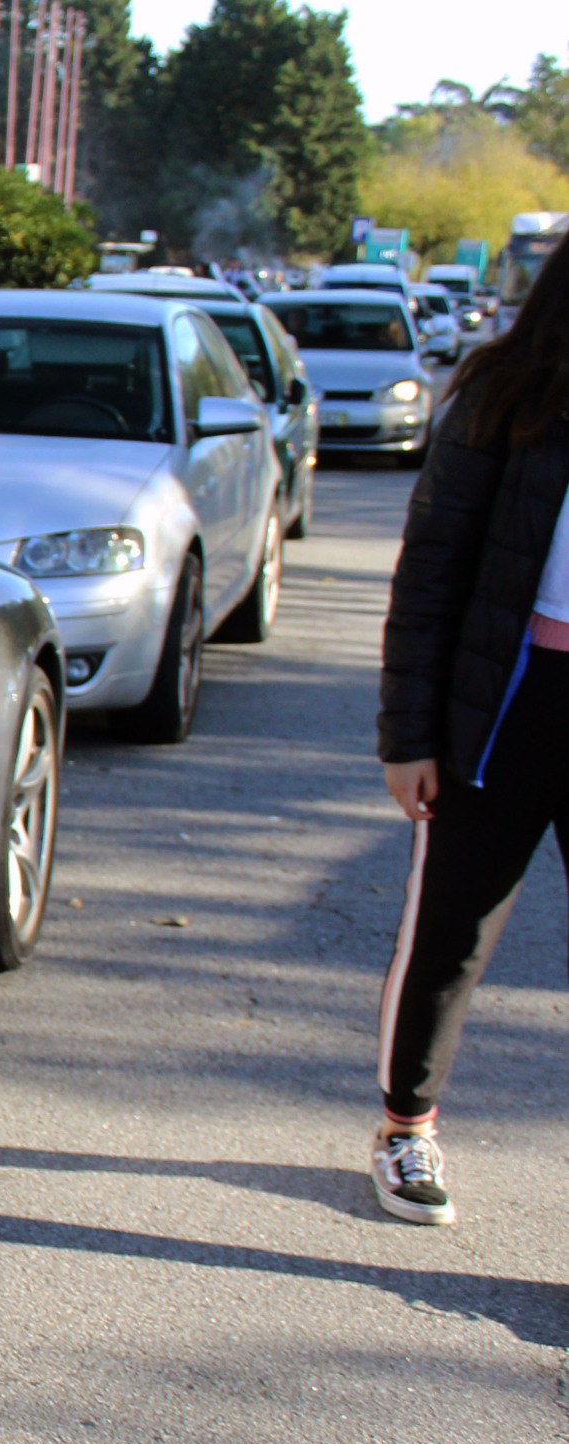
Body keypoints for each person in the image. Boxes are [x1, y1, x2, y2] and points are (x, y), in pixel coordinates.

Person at [374, 241, 569, 1225]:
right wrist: (406, 734)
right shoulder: (504, 393)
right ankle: (405, 1126)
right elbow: (429, 570)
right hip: (508, 700)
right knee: (451, 929)